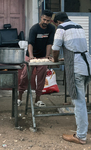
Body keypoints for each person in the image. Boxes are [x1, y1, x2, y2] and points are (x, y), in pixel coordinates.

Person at [51, 12, 91, 144]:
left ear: (57, 22)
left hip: (76, 68)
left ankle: (81, 136)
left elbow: (55, 49)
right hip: (86, 65)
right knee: (82, 101)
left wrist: (55, 60)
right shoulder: (78, 26)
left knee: (79, 103)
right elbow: (76, 48)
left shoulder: (61, 28)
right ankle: (83, 131)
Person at [17, 9, 55, 107]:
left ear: (50, 20)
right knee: (25, 77)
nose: (45, 22)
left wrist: (47, 56)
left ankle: (37, 100)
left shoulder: (51, 28)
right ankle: (19, 98)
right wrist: (31, 57)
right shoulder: (34, 29)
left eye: (48, 20)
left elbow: (49, 43)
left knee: (41, 78)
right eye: (44, 20)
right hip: (31, 55)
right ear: (41, 18)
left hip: (42, 56)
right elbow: (30, 44)